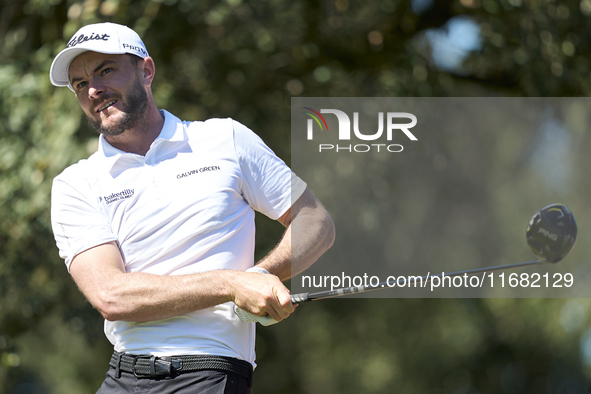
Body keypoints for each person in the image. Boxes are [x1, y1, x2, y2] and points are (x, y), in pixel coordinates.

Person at [49, 22, 335, 393]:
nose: (94, 90)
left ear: (146, 70)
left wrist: (262, 275)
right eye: (79, 83)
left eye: (106, 70)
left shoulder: (225, 139)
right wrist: (232, 283)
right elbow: (110, 295)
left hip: (209, 372)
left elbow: (316, 221)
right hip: (123, 376)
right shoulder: (75, 183)